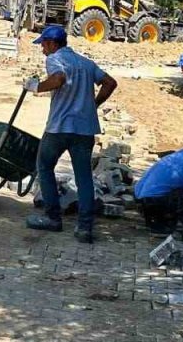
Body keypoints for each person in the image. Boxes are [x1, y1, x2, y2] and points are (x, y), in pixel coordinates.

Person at [25, 25, 118, 243]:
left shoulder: (55, 59)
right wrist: (93, 104)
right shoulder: (85, 63)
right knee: (83, 176)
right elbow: (110, 83)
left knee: (44, 166)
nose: (43, 50)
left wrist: (36, 87)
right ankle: (85, 228)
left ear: (52, 44)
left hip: (59, 127)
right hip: (85, 129)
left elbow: (57, 80)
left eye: (44, 45)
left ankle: (53, 218)